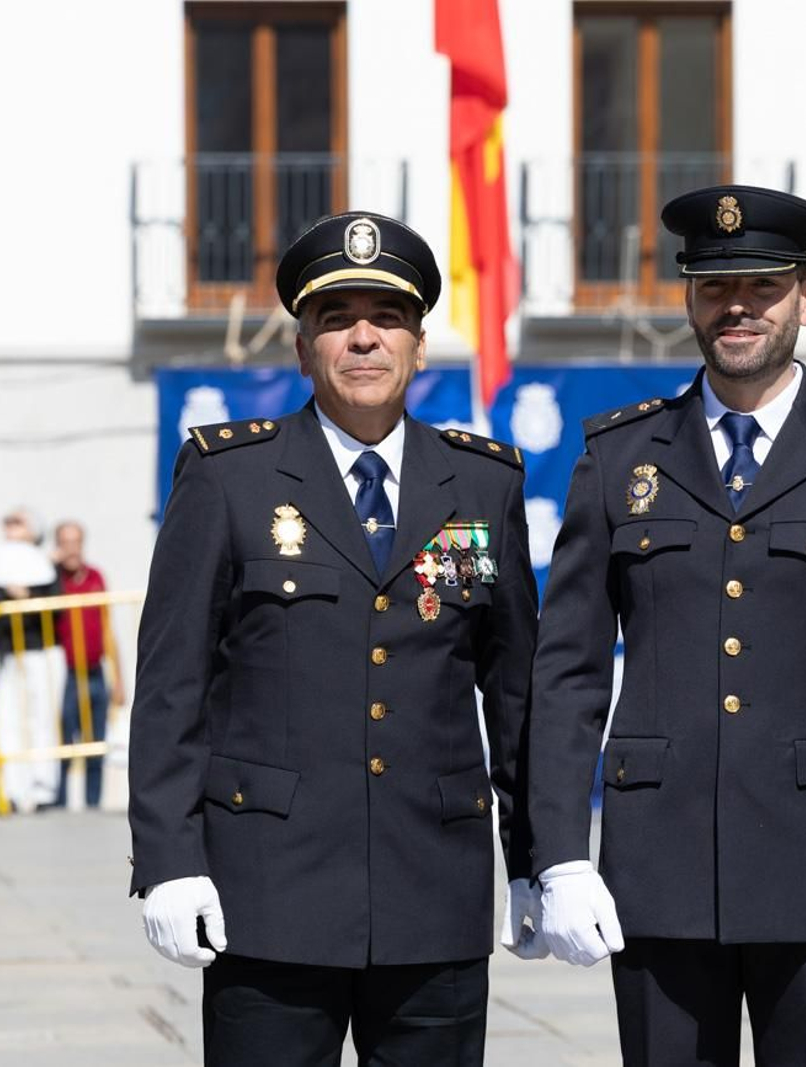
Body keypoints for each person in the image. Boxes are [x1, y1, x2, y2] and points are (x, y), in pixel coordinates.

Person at [527, 185, 806, 1065]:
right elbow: (567, 667)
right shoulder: (621, 456)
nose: (738, 307)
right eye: (714, 287)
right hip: (658, 869)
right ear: (687, 299)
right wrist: (561, 852)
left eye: (763, 286)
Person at [128, 212, 541, 1065]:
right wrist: (169, 859)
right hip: (268, 896)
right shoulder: (228, 478)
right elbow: (172, 685)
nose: (363, 338)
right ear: (303, 345)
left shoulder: (482, 483)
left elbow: (516, 691)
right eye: (336, 318)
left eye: (386, 318)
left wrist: (539, 855)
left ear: (419, 345)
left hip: (434, 895)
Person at [0, 507, 63, 813]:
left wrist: (26, 597)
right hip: (6, 651)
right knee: (8, 719)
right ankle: (15, 789)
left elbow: (56, 609)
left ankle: (42, 789)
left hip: (39, 648)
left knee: (41, 718)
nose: (10, 529)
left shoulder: (42, 566)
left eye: (17, 523)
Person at [52, 520, 124, 810]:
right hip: (66, 674)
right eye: (65, 543)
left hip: (95, 672)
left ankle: (93, 804)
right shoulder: (54, 580)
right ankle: (59, 803)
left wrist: (118, 677)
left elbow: (108, 628)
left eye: (76, 542)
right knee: (64, 743)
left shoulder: (96, 577)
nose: (72, 549)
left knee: (96, 742)